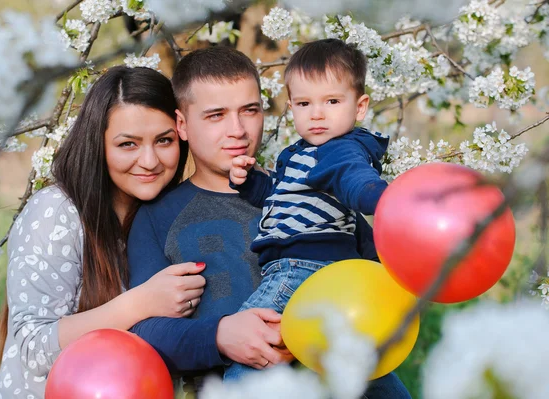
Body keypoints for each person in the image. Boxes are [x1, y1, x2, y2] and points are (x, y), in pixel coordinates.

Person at [127, 45, 411, 398]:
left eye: (250, 110)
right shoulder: (157, 216)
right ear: (182, 124)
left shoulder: (318, 191)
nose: (238, 130)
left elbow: (383, 286)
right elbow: (144, 329)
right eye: (216, 115)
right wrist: (219, 336)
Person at [0, 66, 207, 399]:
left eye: (163, 140)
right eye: (128, 144)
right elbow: (33, 348)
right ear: (98, 144)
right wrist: (141, 303)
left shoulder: (173, 217)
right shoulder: (56, 213)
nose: (149, 160)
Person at [224, 38, 392, 381]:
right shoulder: (302, 152)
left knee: (250, 346)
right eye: (304, 103)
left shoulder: (340, 150)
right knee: (347, 365)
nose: (316, 113)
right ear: (291, 107)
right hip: (322, 272)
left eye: (332, 101)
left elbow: (355, 180)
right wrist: (248, 182)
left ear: (359, 108)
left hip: (300, 267)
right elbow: (279, 194)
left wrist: (383, 199)